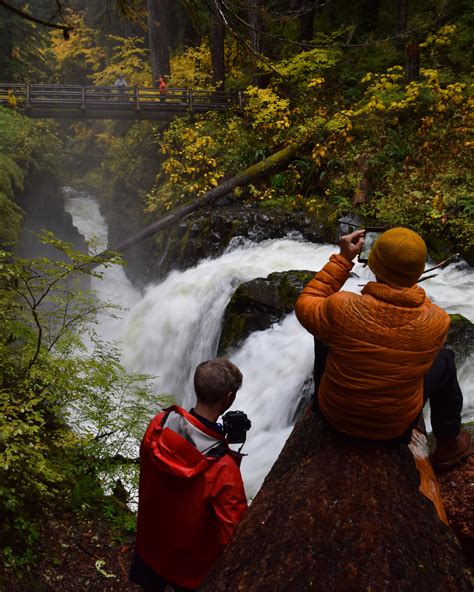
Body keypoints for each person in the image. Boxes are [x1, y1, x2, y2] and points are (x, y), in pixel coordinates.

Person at [295, 227, 472, 470]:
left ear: (373, 265)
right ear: (419, 272)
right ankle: (447, 448)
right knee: (445, 359)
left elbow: (306, 301)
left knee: (324, 325)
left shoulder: (341, 307)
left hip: (334, 416)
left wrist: (344, 259)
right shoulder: (438, 321)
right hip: (393, 430)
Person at [129, 358, 248, 592]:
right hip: (190, 567)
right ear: (229, 398)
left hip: (150, 543)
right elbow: (233, 533)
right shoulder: (223, 469)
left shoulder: (159, 425)